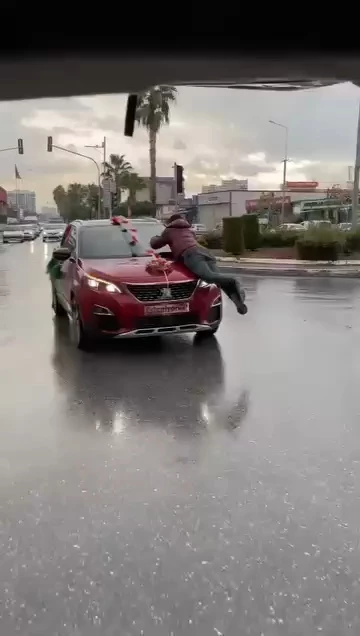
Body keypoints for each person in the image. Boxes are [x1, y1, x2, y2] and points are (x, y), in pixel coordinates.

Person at [150, 214, 247, 314]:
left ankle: (235, 280)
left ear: (170, 222)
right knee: (218, 279)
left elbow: (155, 244)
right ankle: (238, 303)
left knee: (209, 277)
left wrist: (156, 237)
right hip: (206, 253)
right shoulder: (190, 230)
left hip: (192, 255)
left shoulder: (169, 230)